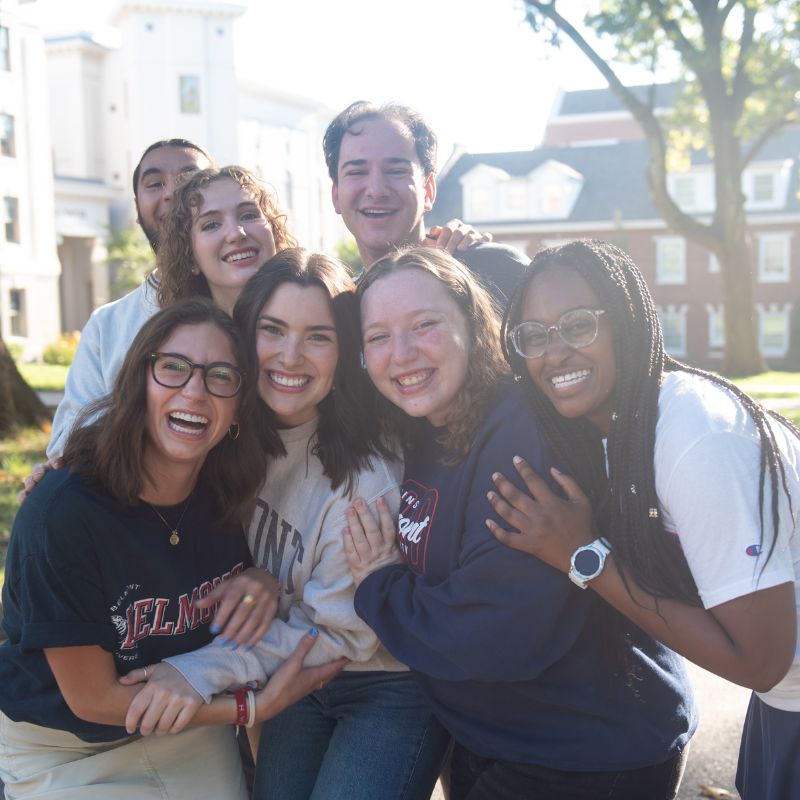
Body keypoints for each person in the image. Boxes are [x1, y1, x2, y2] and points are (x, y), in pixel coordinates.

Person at [343, 246, 696, 800]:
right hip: (499, 740)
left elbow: (489, 632)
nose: (402, 353)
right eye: (378, 337)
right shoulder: (427, 426)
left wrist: (378, 587)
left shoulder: (519, 437)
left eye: (425, 325)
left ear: (473, 323)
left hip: (586, 755)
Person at [120, 248, 451, 800]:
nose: (290, 357)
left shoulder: (367, 481)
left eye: (318, 336)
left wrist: (200, 670)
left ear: (345, 350)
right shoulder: (225, 432)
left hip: (381, 680)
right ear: (245, 334)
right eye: (272, 330)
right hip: (289, 671)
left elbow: (339, 632)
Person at [486, 239, 800, 800]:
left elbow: (761, 661)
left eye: (578, 325)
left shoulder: (693, 435)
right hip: (782, 705)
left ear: (627, 320)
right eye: (533, 336)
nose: (553, 353)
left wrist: (584, 557)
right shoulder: (620, 431)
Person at [0, 298, 344, 799]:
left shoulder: (230, 493)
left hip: (180, 729)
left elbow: (248, 609)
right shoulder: (64, 514)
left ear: (238, 408)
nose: (195, 391)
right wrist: (250, 708)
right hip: (61, 745)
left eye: (221, 376)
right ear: (138, 381)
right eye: (174, 368)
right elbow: (93, 699)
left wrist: (264, 578)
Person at [46, 139, 214, 458]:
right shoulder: (106, 327)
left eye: (188, 178)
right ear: (137, 209)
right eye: (154, 183)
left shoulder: (253, 305)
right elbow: (67, 446)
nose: (171, 192)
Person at [323, 101, 527, 302]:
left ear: (428, 190)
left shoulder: (495, 273)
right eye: (356, 172)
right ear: (336, 195)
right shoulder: (341, 310)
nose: (376, 190)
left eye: (396, 171)